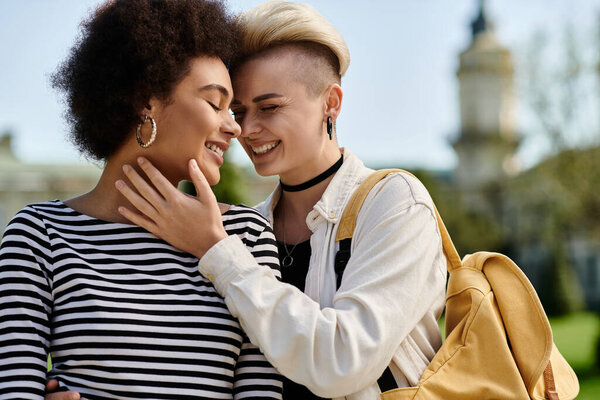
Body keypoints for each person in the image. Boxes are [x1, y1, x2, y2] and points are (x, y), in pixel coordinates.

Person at [112, 2, 448, 399]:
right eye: (238, 110)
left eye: (270, 107)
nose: (246, 129)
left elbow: (343, 362)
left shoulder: (394, 204)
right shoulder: (245, 228)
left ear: (331, 103)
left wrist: (217, 250)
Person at [0, 0, 283, 399]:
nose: (234, 126)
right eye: (215, 103)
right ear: (146, 100)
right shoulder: (39, 235)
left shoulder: (246, 236)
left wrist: (215, 247)